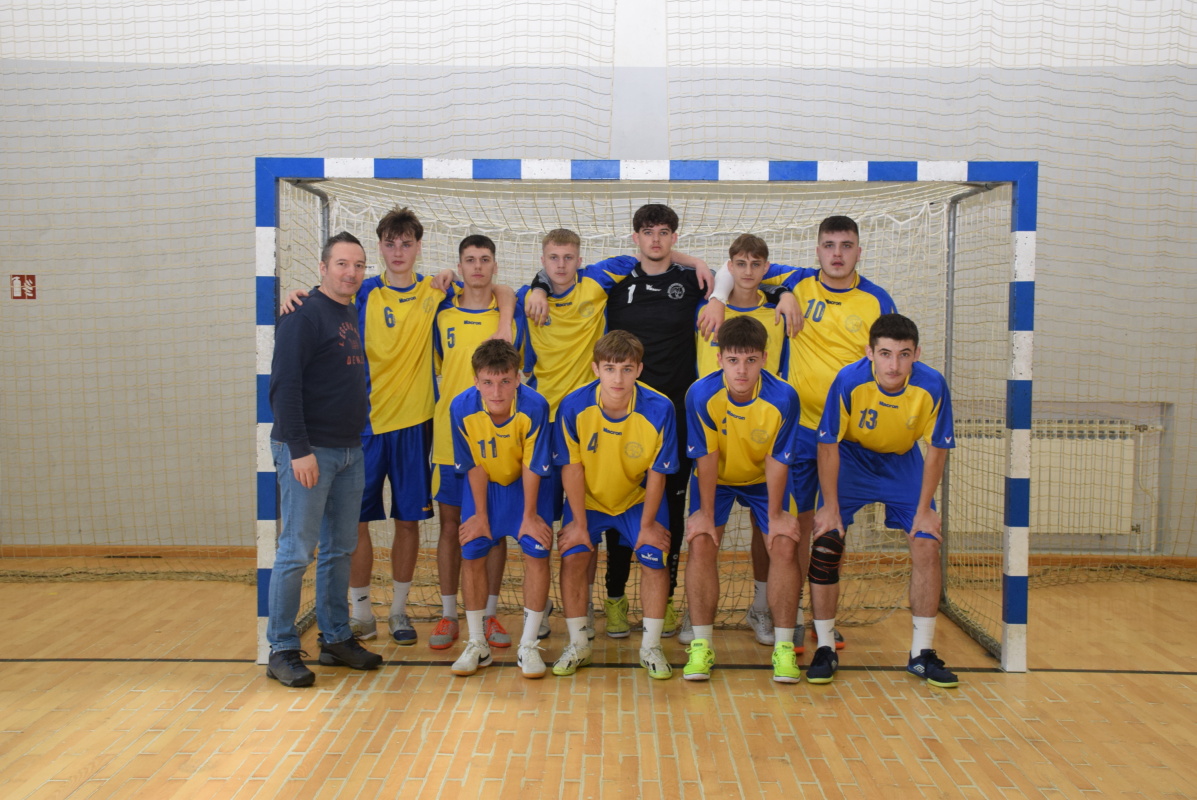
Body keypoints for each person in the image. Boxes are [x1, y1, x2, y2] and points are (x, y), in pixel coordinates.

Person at [284, 207, 515, 648]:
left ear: (418, 248)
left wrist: (498, 310)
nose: (398, 252)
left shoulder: (436, 291)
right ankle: (361, 613)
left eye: (406, 244)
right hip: (365, 425)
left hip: (416, 426)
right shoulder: (364, 291)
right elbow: (328, 294)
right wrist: (301, 295)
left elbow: (497, 288)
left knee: (408, 522)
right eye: (390, 244)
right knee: (356, 523)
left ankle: (398, 610)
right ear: (380, 248)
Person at [704, 214, 896, 653]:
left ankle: (821, 617)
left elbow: (890, 357)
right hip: (801, 430)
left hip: (850, 435)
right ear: (817, 251)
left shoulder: (878, 299)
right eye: (829, 245)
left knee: (833, 526)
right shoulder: (798, 281)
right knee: (792, 525)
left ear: (859, 251)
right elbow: (734, 270)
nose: (837, 254)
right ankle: (781, 609)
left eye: (846, 246)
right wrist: (722, 297)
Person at [810, 313, 958, 687]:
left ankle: (921, 653)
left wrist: (924, 510)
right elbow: (827, 445)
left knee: (926, 543)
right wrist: (829, 507)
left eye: (904, 355)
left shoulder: (932, 386)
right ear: (870, 352)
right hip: (852, 459)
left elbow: (937, 450)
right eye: (886, 354)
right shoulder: (849, 380)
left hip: (902, 463)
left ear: (916, 354)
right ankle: (825, 647)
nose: (894, 365)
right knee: (827, 542)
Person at [265, 232, 383, 687]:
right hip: (309, 451)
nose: (351, 273)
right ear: (322, 267)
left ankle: (335, 637)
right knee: (296, 551)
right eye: (341, 264)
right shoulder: (303, 314)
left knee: (340, 548)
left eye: (358, 265)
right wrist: (299, 451)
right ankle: (281, 647)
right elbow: (284, 387)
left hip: (350, 449)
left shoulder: (348, 310)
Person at [517, 229, 642, 638]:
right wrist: (535, 286)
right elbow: (492, 293)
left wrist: (697, 266)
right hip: (541, 423)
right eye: (553, 258)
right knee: (538, 523)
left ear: (579, 259)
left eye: (568, 257)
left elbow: (648, 253)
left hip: (586, 424)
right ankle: (539, 608)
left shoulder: (598, 281)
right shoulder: (525, 298)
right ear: (542, 260)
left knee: (580, 522)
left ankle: (582, 605)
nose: (560, 265)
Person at [552, 331, 677, 679]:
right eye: (609, 368)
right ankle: (578, 644)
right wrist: (579, 524)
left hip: (637, 499)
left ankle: (651, 647)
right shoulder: (573, 406)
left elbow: (658, 473)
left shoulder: (660, 408)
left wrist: (648, 525)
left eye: (626, 369)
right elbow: (571, 468)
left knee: (654, 556)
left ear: (639, 369)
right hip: (589, 500)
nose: (618, 378)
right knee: (574, 554)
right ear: (596, 369)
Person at [683, 316, 802, 683]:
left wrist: (777, 515)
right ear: (719, 358)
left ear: (764, 358)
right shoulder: (700, 394)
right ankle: (701, 645)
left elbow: (778, 460)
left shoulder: (784, 397)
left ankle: (784, 648)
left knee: (783, 543)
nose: (742, 370)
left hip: (764, 480)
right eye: (733, 360)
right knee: (701, 541)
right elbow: (706, 458)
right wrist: (705, 514)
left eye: (751, 360)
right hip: (716, 479)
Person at [431, 235, 529, 653]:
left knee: (495, 530)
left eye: (484, 259)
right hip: (449, 439)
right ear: (459, 266)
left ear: (494, 266)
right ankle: (448, 614)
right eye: (469, 260)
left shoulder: (511, 316)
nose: (477, 266)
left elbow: (522, 373)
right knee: (450, 526)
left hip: (497, 443)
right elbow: (439, 368)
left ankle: (489, 614)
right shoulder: (442, 313)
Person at [694, 234, 792, 649]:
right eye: (740, 263)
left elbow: (802, 276)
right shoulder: (707, 307)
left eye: (756, 264)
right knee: (701, 534)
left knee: (773, 536)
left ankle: (762, 608)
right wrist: (718, 296)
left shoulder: (778, 311)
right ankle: (697, 619)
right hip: (714, 430)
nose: (748, 271)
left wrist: (785, 292)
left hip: (760, 433)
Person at [447, 340, 555, 679]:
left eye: (505, 381)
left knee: (537, 551)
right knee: (472, 551)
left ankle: (528, 644)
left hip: (527, 486)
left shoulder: (535, 406)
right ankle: (477, 644)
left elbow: (532, 464)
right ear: (476, 381)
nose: (497, 391)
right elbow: (473, 465)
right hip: (486, 486)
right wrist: (480, 516)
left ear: (518, 378)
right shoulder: (460, 407)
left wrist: (529, 516)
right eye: (488, 382)